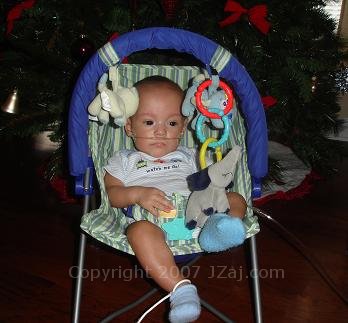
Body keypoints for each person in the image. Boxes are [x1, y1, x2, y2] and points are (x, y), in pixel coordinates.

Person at [104, 76, 247, 322]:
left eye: (171, 123)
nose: (161, 131)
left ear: (182, 128)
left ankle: (221, 228)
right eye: (149, 122)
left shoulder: (190, 155)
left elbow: (216, 180)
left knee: (234, 197)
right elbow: (112, 194)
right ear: (129, 126)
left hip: (200, 216)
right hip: (154, 223)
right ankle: (181, 289)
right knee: (138, 230)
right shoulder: (123, 160)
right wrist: (137, 193)